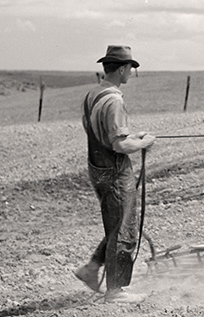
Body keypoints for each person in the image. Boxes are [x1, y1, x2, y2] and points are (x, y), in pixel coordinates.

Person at [74, 45, 155, 303]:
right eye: (130, 68)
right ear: (121, 69)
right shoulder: (115, 100)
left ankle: (91, 268)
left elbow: (104, 133)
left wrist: (132, 135)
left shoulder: (93, 94)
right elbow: (120, 145)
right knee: (125, 231)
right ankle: (116, 291)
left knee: (114, 225)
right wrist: (143, 142)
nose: (131, 73)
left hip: (97, 168)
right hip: (116, 172)